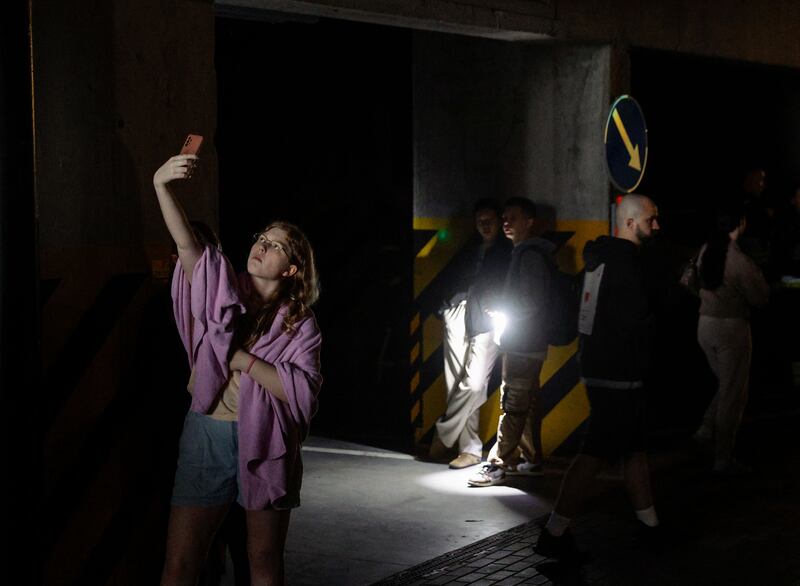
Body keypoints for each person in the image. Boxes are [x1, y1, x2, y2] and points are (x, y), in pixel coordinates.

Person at [153, 152, 322, 585]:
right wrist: (162, 185)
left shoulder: (298, 322)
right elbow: (189, 246)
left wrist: (243, 360)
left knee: (263, 562)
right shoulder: (222, 286)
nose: (261, 246)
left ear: (291, 267)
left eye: (275, 244)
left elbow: (300, 391)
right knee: (181, 561)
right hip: (207, 430)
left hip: (266, 439)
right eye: (260, 237)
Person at [534, 194, 661, 559]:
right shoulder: (628, 266)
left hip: (600, 368)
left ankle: (649, 525)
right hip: (620, 371)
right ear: (631, 223)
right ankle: (554, 533)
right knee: (595, 452)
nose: (657, 225)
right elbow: (636, 320)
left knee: (632, 448)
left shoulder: (598, 261)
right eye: (652, 219)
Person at [468, 197, 554, 487]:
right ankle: (531, 459)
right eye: (504, 217)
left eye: (513, 218)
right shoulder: (526, 252)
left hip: (523, 340)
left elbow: (531, 301)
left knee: (513, 402)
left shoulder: (529, 255)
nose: (506, 222)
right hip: (528, 339)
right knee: (526, 401)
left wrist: (503, 307)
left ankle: (497, 464)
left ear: (529, 222)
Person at [428, 199, 512, 469]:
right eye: (480, 221)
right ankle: (470, 450)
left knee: (474, 383)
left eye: (490, 220)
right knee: (455, 382)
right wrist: (444, 305)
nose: (485, 225)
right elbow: (449, 277)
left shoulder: (507, 250)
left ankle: (444, 433)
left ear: (499, 221)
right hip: (456, 311)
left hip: (486, 316)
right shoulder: (469, 248)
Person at [693, 203, 769, 475]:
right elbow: (760, 297)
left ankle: (705, 429)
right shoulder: (738, 259)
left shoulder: (706, 250)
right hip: (731, 329)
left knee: (726, 383)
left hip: (704, 325)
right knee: (734, 392)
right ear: (741, 224)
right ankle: (723, 459)